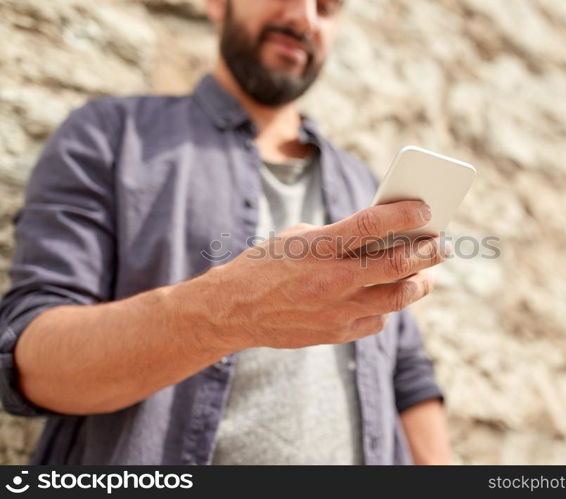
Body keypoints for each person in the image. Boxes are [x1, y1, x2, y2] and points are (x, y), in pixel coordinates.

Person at [0, 0, 452, 465]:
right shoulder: (110, 135)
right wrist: (231, 311)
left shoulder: (363, 183)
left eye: (327, 7)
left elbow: (405, 370)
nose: (304, 19)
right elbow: (32, 363)